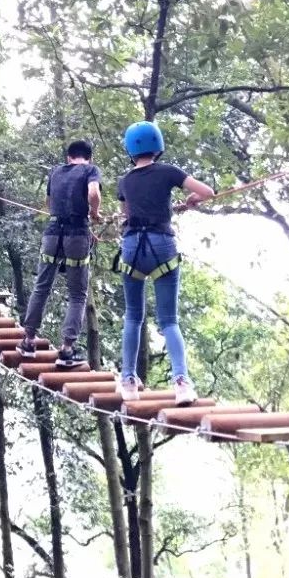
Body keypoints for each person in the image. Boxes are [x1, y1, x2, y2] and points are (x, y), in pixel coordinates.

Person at [116, 121, 214, 403]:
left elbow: (126, 215)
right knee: (169, 320)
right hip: (161, 246)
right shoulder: (168, 172)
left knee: (133, 317)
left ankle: (128, 382)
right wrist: (192, 199)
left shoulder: (125, 181)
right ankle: (181, 382)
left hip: (132, 248)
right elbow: (207, 192)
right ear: (157, 146)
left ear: (130, 150)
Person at [17, 140, 102, 368]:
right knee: (77, 294)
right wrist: (94, 213)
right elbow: (93, 192)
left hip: (53, 233)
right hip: (77, 233)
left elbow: (48, 202)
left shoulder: (55, 172)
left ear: (69, 157)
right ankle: (66, 350)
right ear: (89, 157)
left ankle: (28, 341)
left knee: (42, 286)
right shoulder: (90, 170)